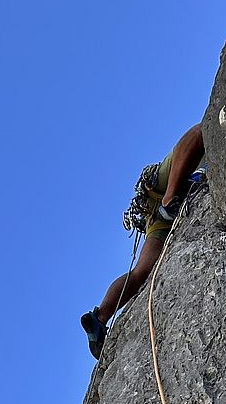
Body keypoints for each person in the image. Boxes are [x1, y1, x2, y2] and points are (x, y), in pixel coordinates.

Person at [80, 123, 205, 358]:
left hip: (157, 217)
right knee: (200, 132)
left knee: (142, 271)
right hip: (162, 189)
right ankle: (170, 198)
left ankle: (99, 319)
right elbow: (198, 133)